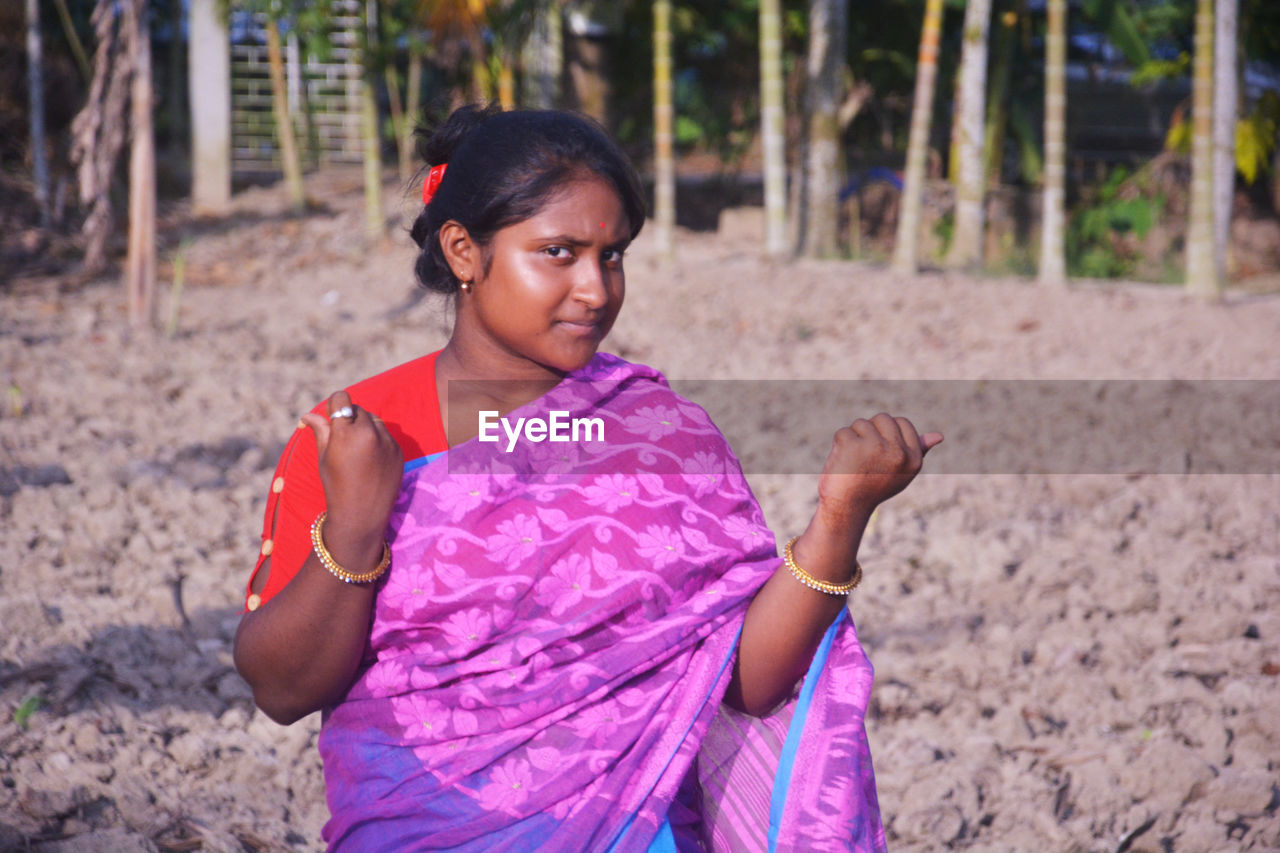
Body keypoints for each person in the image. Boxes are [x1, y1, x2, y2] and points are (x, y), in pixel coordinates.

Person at [234, 103, 941, 852]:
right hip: (427, 826)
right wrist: (354, 524)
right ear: (464, 251)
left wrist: (839, 519)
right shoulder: (365, 434)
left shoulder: (663, 433)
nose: (597, 290)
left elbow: (744, 684)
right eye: (559, 252)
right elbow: (282, 690)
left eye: (613, 255)